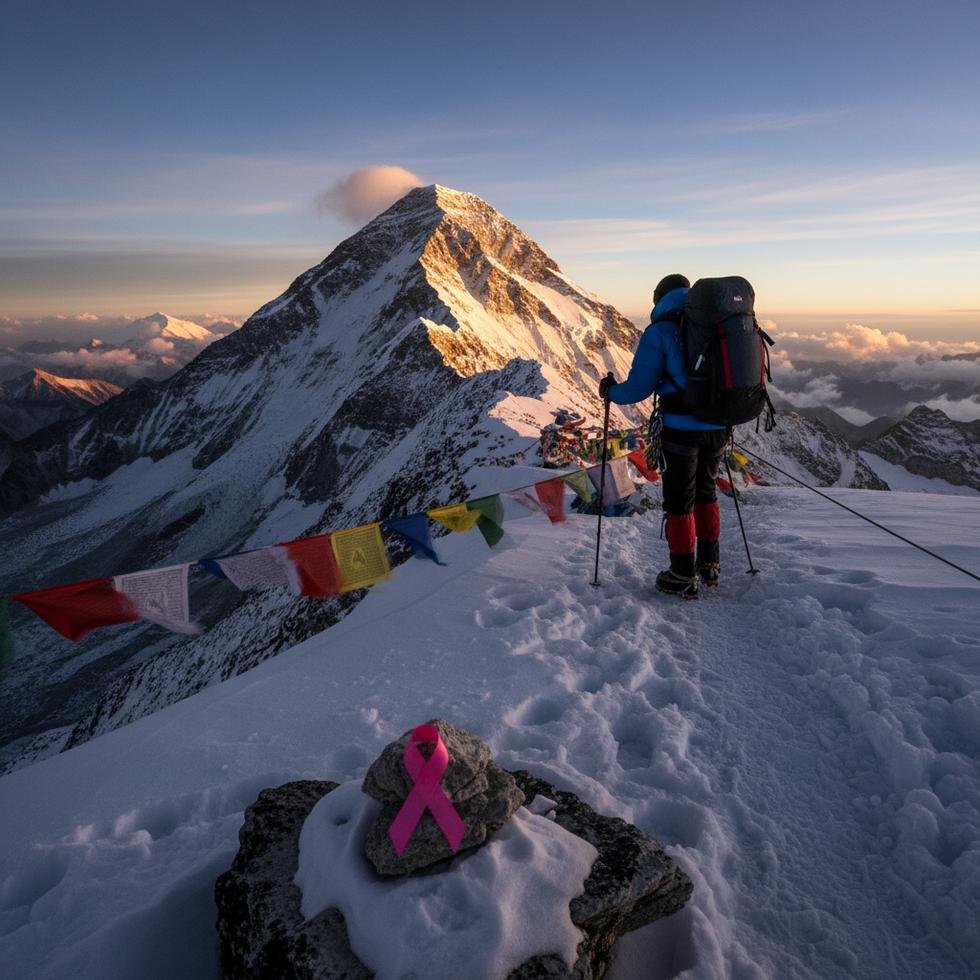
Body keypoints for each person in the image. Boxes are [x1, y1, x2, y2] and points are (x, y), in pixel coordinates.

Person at [599, 274, 726, 598]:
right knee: (706, 491)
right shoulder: (716, 322)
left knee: (679, 500)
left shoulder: (662, 330)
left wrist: (611, 392)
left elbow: (640, 386)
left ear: (659, 299)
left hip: (681, 430)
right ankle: (709, 564)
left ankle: (682, 573)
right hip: (718, 425)